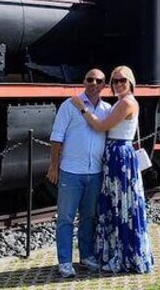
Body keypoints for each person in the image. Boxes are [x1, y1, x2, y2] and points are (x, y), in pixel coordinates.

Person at [72, 65, 154, 274]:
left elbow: (100, 126)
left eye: (122, 80)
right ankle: (122, 251)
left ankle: (121, 254)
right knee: (120, 204)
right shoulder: (122, 102)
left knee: (119, 205)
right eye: (115, 81)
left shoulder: (126, 102)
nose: (118, 84)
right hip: (117, 155)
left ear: (130, 82)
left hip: (119, 156)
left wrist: (82, 107)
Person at [47, 68, 111, 278]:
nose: (93, 83)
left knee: (89, 217)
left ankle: (86, 256)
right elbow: (57, 136)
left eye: (98, 80)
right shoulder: (69, 105)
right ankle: (65, 261)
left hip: (95, 172)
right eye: (89, 79)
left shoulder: (107, 109)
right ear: (84, 81)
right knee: (65, 218)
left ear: (104, 85)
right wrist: (54, 165)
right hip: (71, 171)